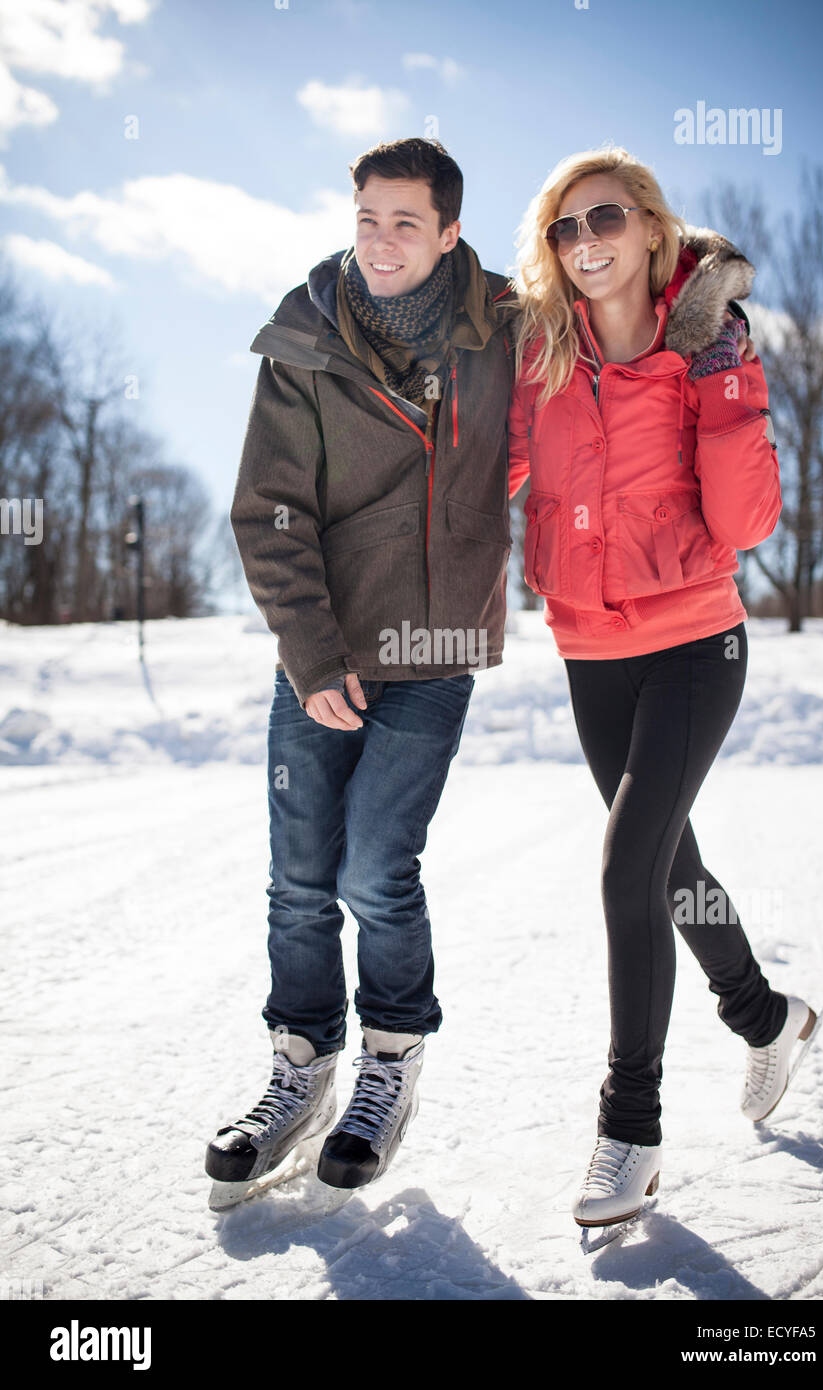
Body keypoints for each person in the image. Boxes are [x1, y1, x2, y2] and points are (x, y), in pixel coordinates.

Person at [507, 146, 820, 1230]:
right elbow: (478, 472)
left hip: (695, 641)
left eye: (601, 217)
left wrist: (722, 378)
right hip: (590, 650)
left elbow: (744, 527)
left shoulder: (712, 351)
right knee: (668, 863)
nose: (581, 241)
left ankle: (628, 1128)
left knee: (625, 864)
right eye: (560, 228)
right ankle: (764, 1015)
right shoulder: (541, 360)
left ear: (648, 228)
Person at [205, 138, 518, 1207]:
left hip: (434, 648)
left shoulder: (505, 329)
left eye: (405, 223)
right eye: (367, 218)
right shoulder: (305, 339)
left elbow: (619, 306)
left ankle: (389, 1057)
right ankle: (301, 1063)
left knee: (375, 866)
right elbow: (269, 508)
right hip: (325, 647)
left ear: (448, 234)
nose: (381, 242)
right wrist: (310, 652)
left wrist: (707, 307)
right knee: (299, 876)